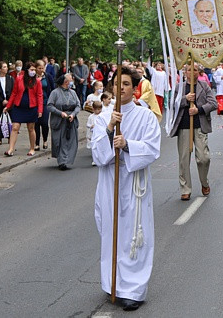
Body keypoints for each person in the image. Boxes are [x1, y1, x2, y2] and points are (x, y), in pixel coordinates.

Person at [91, 66, 161, 311]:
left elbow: (152, 148)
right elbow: (99, 154)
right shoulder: (103, 117)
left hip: (133, 182)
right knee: (111, 230)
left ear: (134, 88)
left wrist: (128, 144)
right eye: (117, 83)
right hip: (110, 180)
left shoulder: (146, 116)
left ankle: (133, 288)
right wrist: (110, 129)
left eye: (127, 84)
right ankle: (114, 283)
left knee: (134, 232)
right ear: (110, 87)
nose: (121, 88)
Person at [170, 64, 218, 201]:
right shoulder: (179, 87)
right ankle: (185, 189)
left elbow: (213, 103)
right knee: (184, 159)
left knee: (203, 158)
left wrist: (199, 109)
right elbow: (172, 103)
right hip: (184, 126)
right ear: (185, 72)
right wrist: (185, 99)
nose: (192, 72)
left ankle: (204, 182)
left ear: (199, 72)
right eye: (189, 69)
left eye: (195, 70)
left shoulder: (204, 86)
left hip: (200, 125)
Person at [4, 61, 44, 157]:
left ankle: (32, 148)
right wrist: (8, 106)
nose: (33, 72)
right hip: (19, 107)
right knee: (15, 127)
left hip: (31, 107)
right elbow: (14, 93)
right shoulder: (19, 79)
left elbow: (39, 96)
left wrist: (40, 110)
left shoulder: (37, 81)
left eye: (34, 70)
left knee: (31, 128)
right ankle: (10, 149)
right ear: (26, 70)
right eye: (31, 70)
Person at [47, 73, 81, 170]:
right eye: (71, 80)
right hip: (59, 121)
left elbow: (78, 105)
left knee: (70, 141)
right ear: (66, 82)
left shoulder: (73, 93)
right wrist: (60, 113)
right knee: (60, 141)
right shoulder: (55, 92)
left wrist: (73, 114)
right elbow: (49, 106)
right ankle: (61, 161)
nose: (72, 81)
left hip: (71, 120)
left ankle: (67, 160)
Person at [0, 61, 14, 146]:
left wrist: (9, 101)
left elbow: (13, 90)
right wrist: (2, 100)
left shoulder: (10, 78)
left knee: (9, 120)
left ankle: (9, 137)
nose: (6, 68)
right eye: (4, 67)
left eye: (6, 67)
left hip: (9, 103)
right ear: (0, 69)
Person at [35, 60, 53, 151]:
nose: (41, 70)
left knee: (44, 123)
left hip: (45, 102)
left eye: (42, 68)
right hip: (35, 103)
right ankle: (36, 143)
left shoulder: (47, 76)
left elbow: (52, 88)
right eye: (39, 68)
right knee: (36, 123)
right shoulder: (33, 77)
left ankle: (45, 140)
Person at [86, 101, 103, 166]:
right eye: (97, 109)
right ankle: (95, 160)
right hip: (93, 134)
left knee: (100, 147)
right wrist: (91, 126)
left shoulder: (101, 116)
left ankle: (100, 158)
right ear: (93, 109)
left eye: (100, 109)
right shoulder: (91, 117)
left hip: (100, 134)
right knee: (94, 147)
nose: (99, 111)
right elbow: (88, 124)